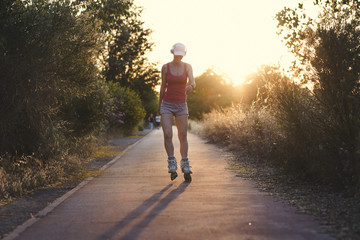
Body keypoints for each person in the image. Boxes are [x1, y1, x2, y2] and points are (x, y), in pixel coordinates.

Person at [158, 42, 196, 182]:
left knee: (183, 134)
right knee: (168, 133)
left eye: (181, 55)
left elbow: (193, 81)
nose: (179, 57)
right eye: (177, 54)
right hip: (167, 104)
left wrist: (191, 86)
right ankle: (171, 162)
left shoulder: (188, 67)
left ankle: (185, 164)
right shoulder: (165, 67)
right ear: (173, 52)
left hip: (181, 105)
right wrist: (159, 105)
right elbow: (162, 86)